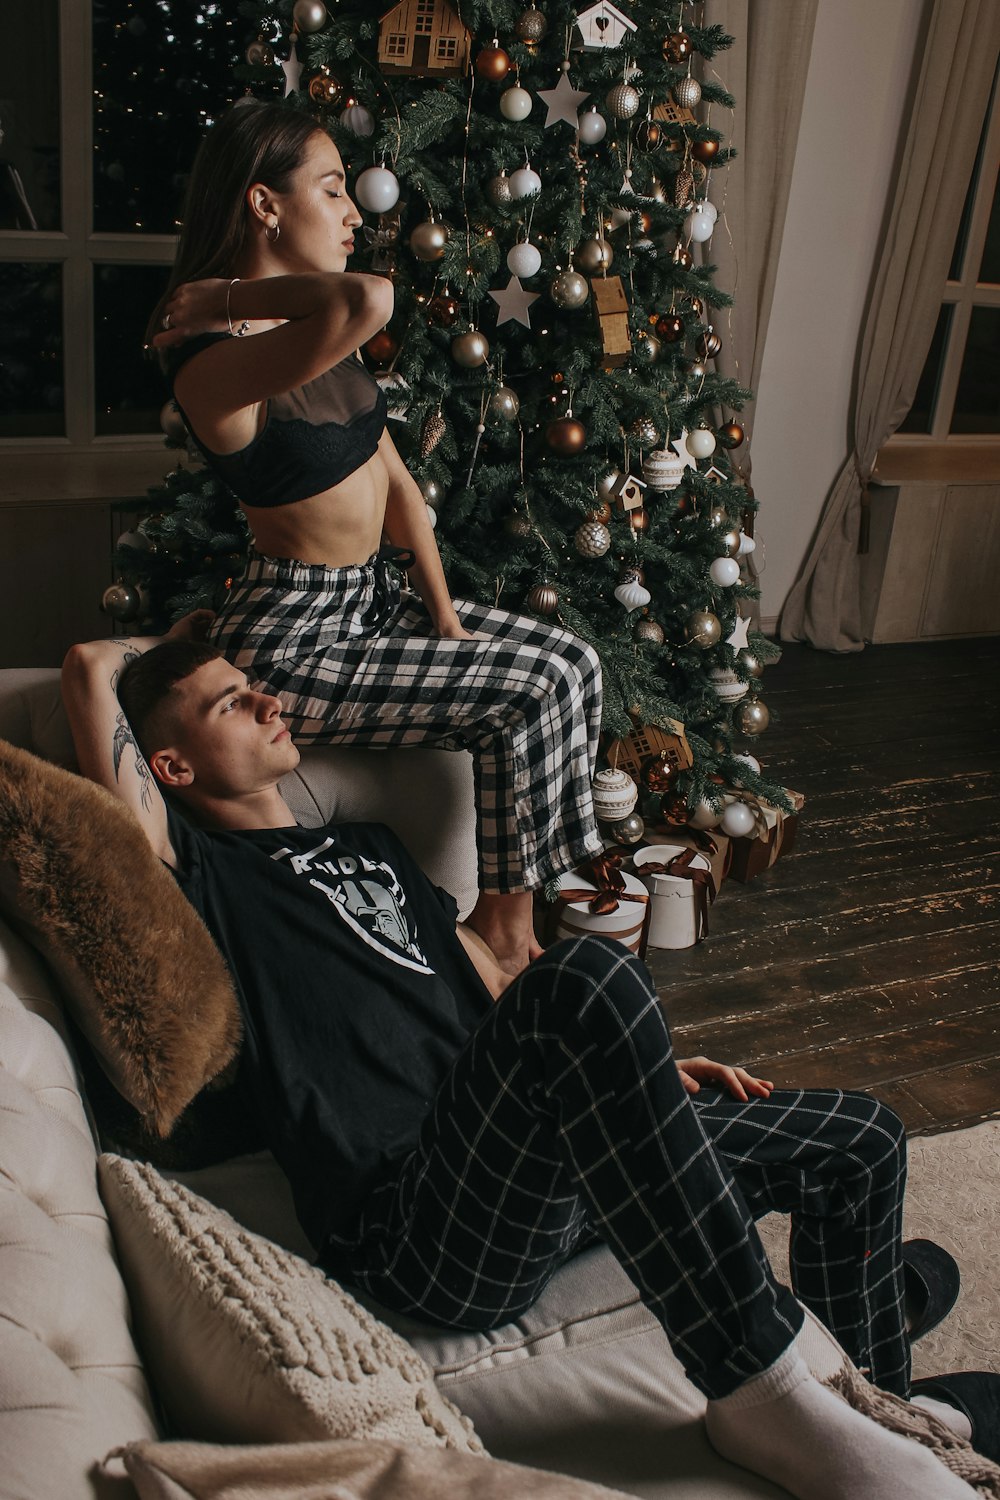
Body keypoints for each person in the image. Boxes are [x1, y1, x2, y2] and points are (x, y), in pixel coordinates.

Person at [61, 625, 999, 1499]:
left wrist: (636, 1073)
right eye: (231, 704)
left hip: (532, 1167)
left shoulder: (372, 848)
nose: (269, 704)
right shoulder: (196, 872)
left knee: (861, 1140)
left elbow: (496, 996)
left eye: (257, 688)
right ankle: (764, 1393)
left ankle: (886, 1416)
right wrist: (166, 643)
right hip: (417, 1224)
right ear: (169, 765)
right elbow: (85, 669)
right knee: (584, 972)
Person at [144, 99, 603, 980]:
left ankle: (516, 922)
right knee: (536, 684)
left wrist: (445, 617)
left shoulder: (314, 343)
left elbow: (396, 483)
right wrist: (233, 293)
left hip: (376, 603)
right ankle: (507, 936)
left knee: (574, 663)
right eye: (330, 190)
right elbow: (369, 298)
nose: (356, 213)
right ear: (263, 205)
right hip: (295, 636)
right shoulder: (212, 360)